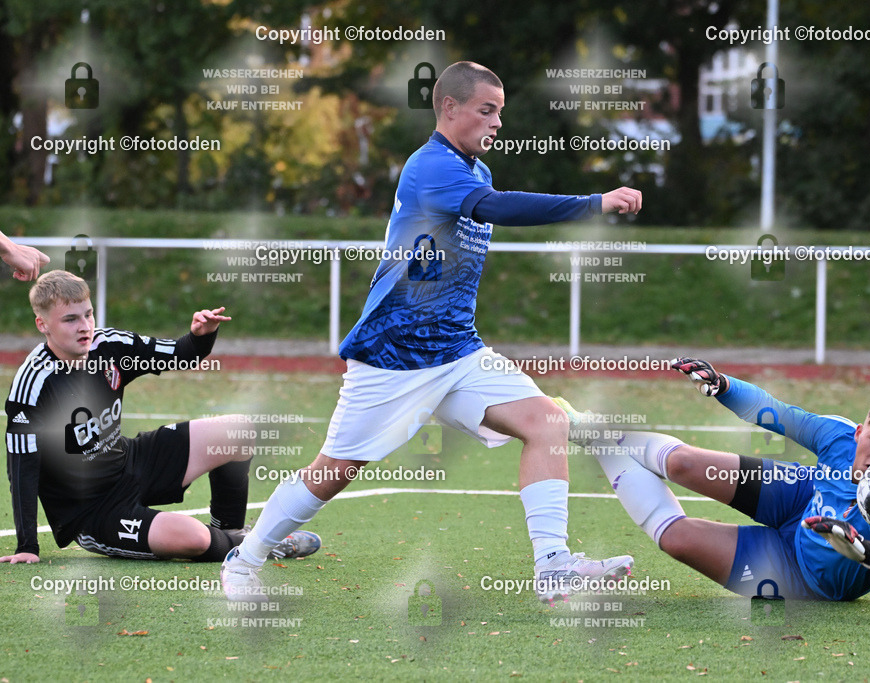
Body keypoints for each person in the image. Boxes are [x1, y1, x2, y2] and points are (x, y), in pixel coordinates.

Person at [222, 61, 642, 603]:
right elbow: (496, 209)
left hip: (458, 351)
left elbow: (481, 211)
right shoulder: (431, 167)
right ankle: (244, 560)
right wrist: (593, 203)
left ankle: (553, 564)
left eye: (500, 113)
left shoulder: (474, 171)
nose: (496, 123)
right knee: (336, 470)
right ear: (449, 108)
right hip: (394, 354)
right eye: (486, 111)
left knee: (546, 422)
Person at [554, 356, 870, 601]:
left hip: (797, 575)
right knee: (684, 464)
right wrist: (724, 385)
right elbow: (777, 413)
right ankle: (593, 429)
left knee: (676, 540)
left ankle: (596, 442)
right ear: (859, 432)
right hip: (797, 496)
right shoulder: (838, 436)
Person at [2, 270, 319, 564]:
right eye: (70, 320)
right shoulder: (34, 383)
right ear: (42, 325)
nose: (85, 326)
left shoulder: (110, 346)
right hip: (93, 511)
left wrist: (200, 336)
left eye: (88, 314)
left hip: (130, 463)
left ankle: (233, 533)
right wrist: (27, 545)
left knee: (238, 431)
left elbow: (178, 354)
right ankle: (250, 543)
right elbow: (22, 466)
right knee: (193, 538)